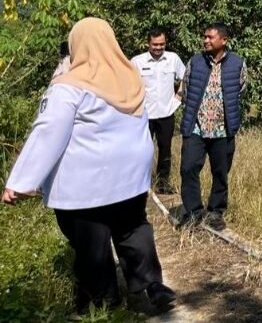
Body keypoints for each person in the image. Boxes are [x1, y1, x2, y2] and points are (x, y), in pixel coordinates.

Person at [2, 18, 176, 314]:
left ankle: (102, 302)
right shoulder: (131, 78)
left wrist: (20, 182)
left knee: (92, 243)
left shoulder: (68, 86)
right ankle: (152, 286)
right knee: (133, 230)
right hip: (130, 180)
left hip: (85, 185)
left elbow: (48, 133)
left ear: (76, 44)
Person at [177, 23, 246, 231]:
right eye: (204, 36)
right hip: (196, 127)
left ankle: (215, 212)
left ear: (224, 40)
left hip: (222, 129)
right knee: (188, 168)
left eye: (210, 37)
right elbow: (186, 89)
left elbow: (241, 89)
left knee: (220, 172)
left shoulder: (238, 63)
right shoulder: (195, 61)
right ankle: (193, 213)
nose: (205, 40)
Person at [131, 29, 186, 194]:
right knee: (142, 150)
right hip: (144, 115)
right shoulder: (137, 61)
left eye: (162, 44)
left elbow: (185, 77)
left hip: (166, 113)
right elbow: (129, 85)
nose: (158, 47)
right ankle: (140, 183)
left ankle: (162, 184)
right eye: (155, 44)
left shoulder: (173, 59)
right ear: (148, 44)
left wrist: (178, 98)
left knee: (165, 149)